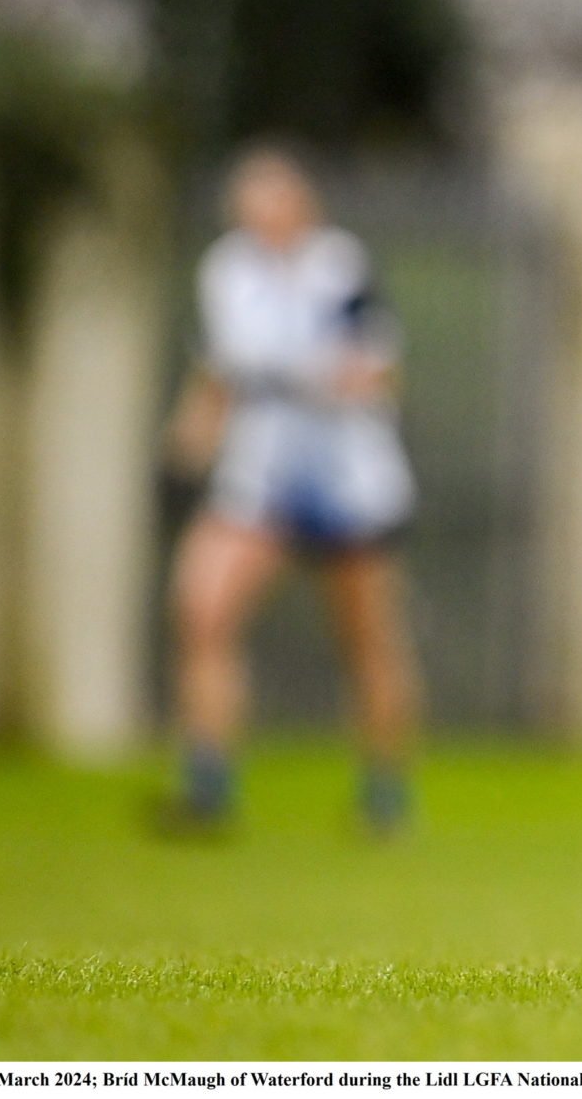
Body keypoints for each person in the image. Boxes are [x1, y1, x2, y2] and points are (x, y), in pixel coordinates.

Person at [159, 144, 420, 837]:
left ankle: (385, 791)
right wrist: (193, 433)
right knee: (203, 609)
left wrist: (321, 378)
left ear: (303, 206)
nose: (259, 218)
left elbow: (379, 371)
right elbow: (220, 368)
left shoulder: (341, 269)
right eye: (247, 206)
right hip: (261, 478)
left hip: (348, 481)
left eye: (273, 202)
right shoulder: (228, 272)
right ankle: (208, 783)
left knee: (367, 640)